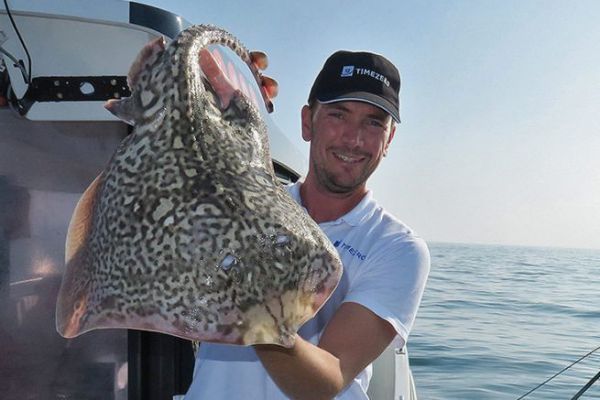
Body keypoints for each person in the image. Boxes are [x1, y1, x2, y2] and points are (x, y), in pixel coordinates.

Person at [184, 50, 430, 399]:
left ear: (388, 140)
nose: (353, 138)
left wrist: (251, 300)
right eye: (338, 115)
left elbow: (323, 382)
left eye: (374, 122)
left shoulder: (396, 247)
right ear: (307, 122)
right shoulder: (245, 206)